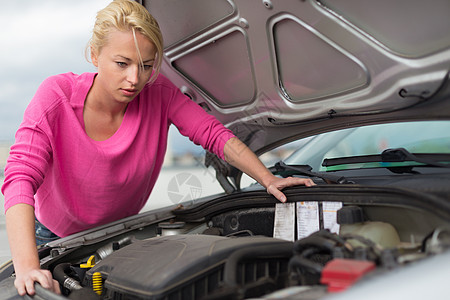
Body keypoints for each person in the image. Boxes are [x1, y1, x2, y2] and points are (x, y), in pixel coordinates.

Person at [1, 0, 315, 296]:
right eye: (122, 63)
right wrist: (27, 268)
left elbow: (212, 134)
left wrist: (268, 179)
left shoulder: (159, 92)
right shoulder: (55, 96)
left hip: (118, 234)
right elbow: (19, 179)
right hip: (54, 237)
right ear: (94, 55)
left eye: (147, 65)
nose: (135, 79)